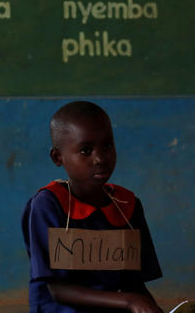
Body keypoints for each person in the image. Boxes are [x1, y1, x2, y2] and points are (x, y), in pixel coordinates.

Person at [21, 101, 163, 313]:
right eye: (85, 150)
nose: (100, 158)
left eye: (107, 145)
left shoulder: (127, 205)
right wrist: (129, 301)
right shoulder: (49, 205)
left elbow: (133, 284)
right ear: (58, 157)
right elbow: (57, 289)